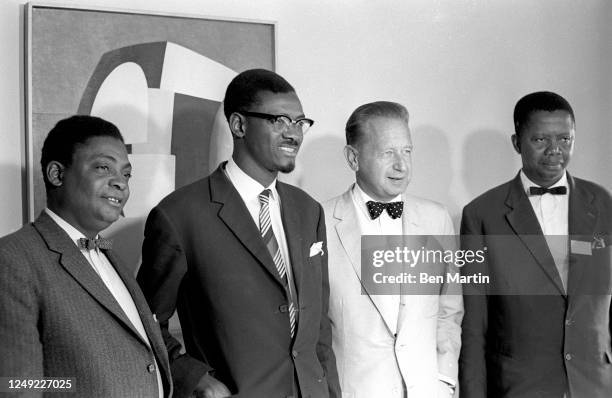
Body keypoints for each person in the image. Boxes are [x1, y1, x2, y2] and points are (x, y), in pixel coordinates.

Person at [137, 69, 341, 398]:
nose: (294, 134)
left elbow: (318, 329)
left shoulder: (308, 210)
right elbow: (143, 321)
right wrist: (194, 377)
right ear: (239, 125)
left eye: (300, 122)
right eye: (279, 120)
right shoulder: (179, 215)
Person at [0, 115, 172, 397]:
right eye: (104, 167)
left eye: (126, 174)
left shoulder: (108, 252)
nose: (121, 183)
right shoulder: (13, 259)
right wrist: (75, 385)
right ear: (57, 174)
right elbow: (15, 386)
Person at [459, 91, 612, 398]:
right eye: (541, 139)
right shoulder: (482, 215)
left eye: (565, 139)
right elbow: (475, 324)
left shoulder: (604, 202)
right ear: (517, 142)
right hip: (518, 387)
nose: (555, 150)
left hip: (595, 385)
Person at [323, 101, 463, 397]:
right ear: (353, 158)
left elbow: (449, 311)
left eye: (407, 151)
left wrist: (445, 379)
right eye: (388, 153)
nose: (401, 165)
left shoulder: (436, 219)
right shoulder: (317, 222)